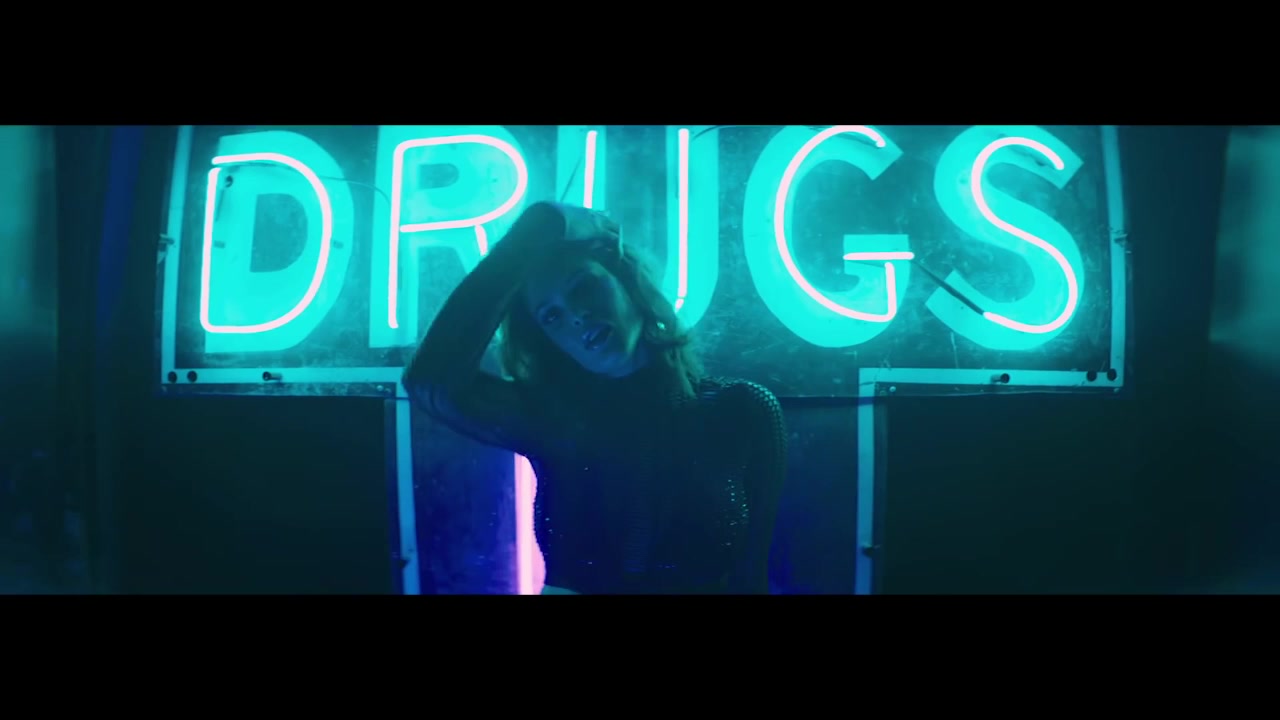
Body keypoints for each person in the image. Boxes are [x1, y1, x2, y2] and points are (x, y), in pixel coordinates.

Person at [402, 201, 787, 594]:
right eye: (551, 316)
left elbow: (752, 575)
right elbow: (430, 382)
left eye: (583, 287)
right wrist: (542, 225)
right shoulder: (557, 421)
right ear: (548, 341)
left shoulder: (742, 409)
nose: (576, 315)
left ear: (627, 281)